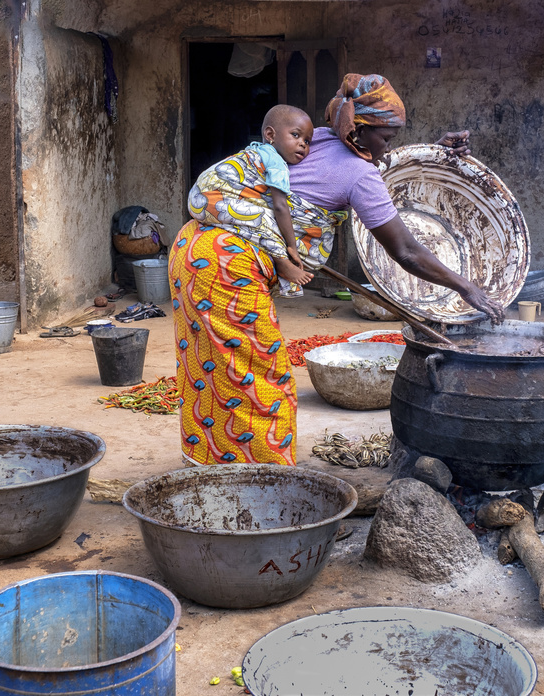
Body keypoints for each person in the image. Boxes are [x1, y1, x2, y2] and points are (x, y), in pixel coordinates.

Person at [169, 73, 505, 468]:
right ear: (358, 131)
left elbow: (373, 161)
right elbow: (407, 251)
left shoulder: (322, 138)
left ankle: (213, 468)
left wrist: (434, 150)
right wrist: (465, 286)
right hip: (227, 267)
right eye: (387, 137)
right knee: (262, 379)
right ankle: (264, 481)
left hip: (194, 247)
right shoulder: (359, 173)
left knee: (211, 367)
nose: (388, 147)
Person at [188, 104, 316, 297]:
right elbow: (280, 206)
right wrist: (292, 246)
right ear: (270, 135)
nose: (303, 144)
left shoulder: (257, 151)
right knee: (266, 220)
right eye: (296, 135)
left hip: (200, 195)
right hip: (211, 197)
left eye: (307, 141)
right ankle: (282, 262)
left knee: (251, 219)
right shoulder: (277, 163)